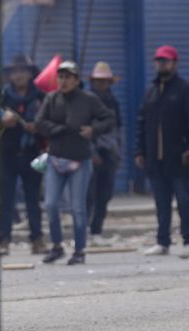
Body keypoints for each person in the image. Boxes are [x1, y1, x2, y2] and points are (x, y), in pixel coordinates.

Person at [36, 60, 115, 265]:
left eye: (68, 77)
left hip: (80, 160)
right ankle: (56, 246)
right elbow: (39, 123)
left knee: (77, 208)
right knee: (51, 204)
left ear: (77, 80)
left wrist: (92, 130)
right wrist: (58, 130)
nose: (63, 81)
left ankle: (79, 250)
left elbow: (108, 119)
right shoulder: (51, 99)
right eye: (60, 77)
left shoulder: (89, 99)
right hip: (55, 159)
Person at [136, 45, 189, 259]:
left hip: (180, 158)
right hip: (156, 160)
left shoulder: (186, 89)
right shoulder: (151, 91)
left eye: (166, 61)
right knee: (161, 203)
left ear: (175, 63)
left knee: (184, 200)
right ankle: (162, 242)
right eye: (159, 61)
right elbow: (142, 124)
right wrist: (140, 151)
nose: (162, 64)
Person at [0, 54, 46, 256]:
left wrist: (38, 127)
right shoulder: (2, 97)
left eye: (23, 71)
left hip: (31, 154)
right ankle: (4, 240)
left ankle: (37, 239)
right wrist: (2, 122)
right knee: (5, 200)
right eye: (15, 71)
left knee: (32, 199)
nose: (18, 75)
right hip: (6, 155)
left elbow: (50, 121)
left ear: (30, 74)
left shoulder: (40, 97)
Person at [87, 62, 122, 246]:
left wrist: (118, 153)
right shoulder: (87, 102)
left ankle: (96, 230)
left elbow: (118, 130)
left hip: (109, 154)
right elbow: (83, 130)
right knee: (88, 194)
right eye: (98, 81)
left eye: (104, 81)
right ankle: (83, 229)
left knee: (105, 194)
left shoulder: (112, 102)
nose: (101, 84)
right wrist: (91, 152)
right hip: (92, 155)